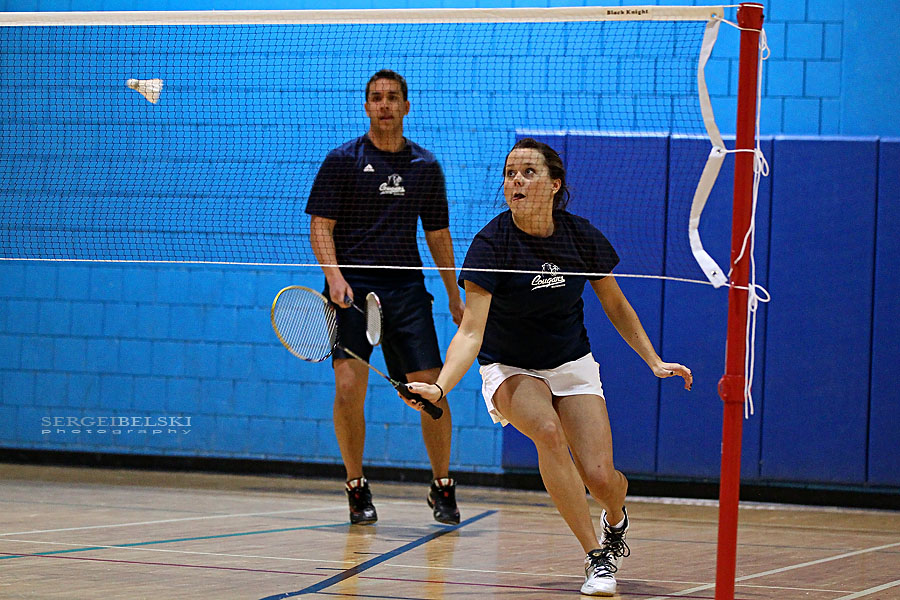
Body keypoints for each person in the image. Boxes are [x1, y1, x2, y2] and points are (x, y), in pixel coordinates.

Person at [406, 138, 692, 595]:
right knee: (547, 431)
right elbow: (471, 332)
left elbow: (616, 305)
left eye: (528, 172)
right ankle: (596, 557)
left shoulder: (581, 237)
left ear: (555, 184)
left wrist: (654, 361)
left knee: (601, 479)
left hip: (571, 363)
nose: (515, 180)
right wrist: (440, 387)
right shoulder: (490, 244)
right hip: (509, 364)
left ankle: (615, 517)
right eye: (510, 173)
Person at [306, 69, 465, 526]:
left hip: (406, 291)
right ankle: (356, 486)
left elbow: (437, 233)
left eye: (392, 98)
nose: (384, 105)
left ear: (406, 106)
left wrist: (453, 293)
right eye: (376, 98)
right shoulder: (342, 161)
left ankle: (441, 485)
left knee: (432, 392)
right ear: (366, 106)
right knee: (349, 387)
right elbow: (321, 225)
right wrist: (333, 278)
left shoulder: (425, 166)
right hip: (351, 289)